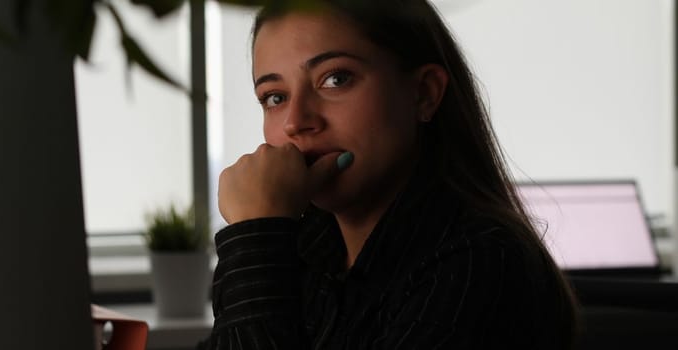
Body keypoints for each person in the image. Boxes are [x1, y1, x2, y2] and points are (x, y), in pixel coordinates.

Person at [200, 0, 578, 349]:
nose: (297, 121)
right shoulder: (301, 248)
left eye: (335, 79)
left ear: (424, 94)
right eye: (275, 97)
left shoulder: (479, 265)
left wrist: (255, 239)